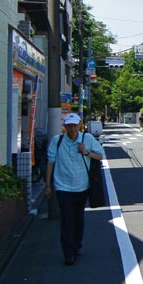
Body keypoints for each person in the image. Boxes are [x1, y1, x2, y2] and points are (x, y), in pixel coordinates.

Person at [45, 112, 104, 265]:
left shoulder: (87, 139)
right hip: (62, 186)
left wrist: (86, 152)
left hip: (82, 186)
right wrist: (48, 185)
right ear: (64, 127)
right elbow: (50, 162)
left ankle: (76, 245)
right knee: (66, 218)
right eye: (69, 126)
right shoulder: (57, 141)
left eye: (74, 126)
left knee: (78, 216)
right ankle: (68, 253)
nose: (72, 129)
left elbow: (100, 156)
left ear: (79, 125)